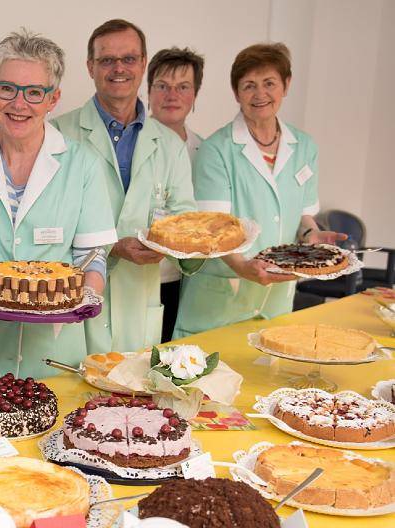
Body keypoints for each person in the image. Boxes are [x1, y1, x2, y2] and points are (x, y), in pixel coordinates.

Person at [0, 29, 117, 380]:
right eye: (7, 89)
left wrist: (78, 302)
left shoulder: (82, 165)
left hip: (53, 349)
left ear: (53, 99)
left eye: (34, 92)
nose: (19, 104)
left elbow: (92, 255)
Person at [174, 43, 346, 337]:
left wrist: (311, 236)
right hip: (221, 298)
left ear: (286, 85)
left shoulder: (304, 147)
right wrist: (242, 266)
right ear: (236, 92)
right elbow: (211, 230)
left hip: (276, 301)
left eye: (269, 83)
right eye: (249, 85)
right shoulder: (217, 149)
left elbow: (303, 218)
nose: (260, 94)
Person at [51, 19, 196, 354]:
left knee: (132, 399)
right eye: (107, 60)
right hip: (77, 302)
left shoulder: (169, 144)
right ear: (90, 67)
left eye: (129, 59)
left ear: (144, 63)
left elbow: (184, 219)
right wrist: (111, 247)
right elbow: (49, 226)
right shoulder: (58, 135)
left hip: (140, 300)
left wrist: (170, 245)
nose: (119, 68)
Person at [146, 47, 206, 342]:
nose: (172, 95)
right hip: (145, 277)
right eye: (162, 86)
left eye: (183, 87)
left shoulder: (205, 152)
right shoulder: (133, 144)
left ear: (195, 95)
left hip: (191, 281)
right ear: (148, 91)